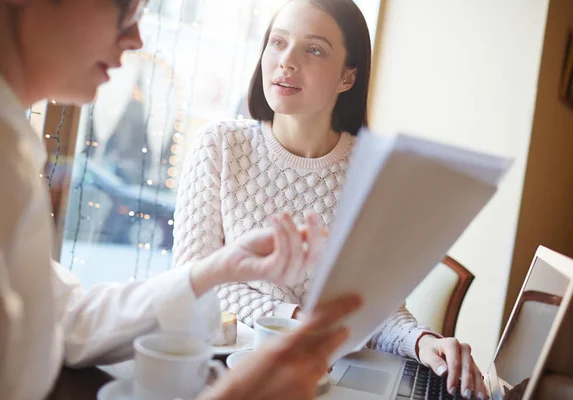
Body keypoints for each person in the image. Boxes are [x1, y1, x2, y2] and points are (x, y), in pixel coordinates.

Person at [0, 0, 360, 399]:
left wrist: (216, 270)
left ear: (348, 77)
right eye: (123, 6)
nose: (136, 36)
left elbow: (69, 320)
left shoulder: (13, 145)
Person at [173, 0, 487, 398]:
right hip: (227, 376)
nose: (286, 61)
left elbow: (375, 310)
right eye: (278, 42)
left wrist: (423, 342)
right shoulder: (220, 145)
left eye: (314, 49)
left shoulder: (373, 174)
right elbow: (195, 282)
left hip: (326, 382)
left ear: (347, 77)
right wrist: (295, 319)